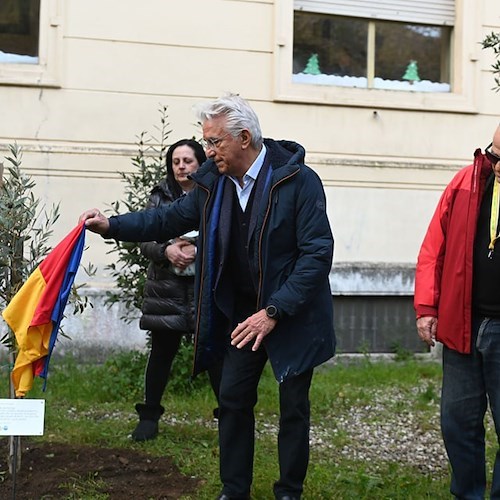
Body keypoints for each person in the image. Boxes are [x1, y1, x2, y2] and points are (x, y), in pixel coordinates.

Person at [79, 93, 335, 500]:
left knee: (293, 409)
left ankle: (289, 491)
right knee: (232, 400)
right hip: (241, 314)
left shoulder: (298, 181)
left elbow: (317, 254)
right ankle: (234, 491)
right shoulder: (213, 184)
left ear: (245, 138)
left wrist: (274, 311)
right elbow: (166, 218)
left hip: (291, 313)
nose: (207, 151)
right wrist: (112, 225)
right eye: (207, 142)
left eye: (215, 142)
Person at [415, 123, 500, 499]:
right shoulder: (466, 182)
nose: (497, 165)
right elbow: (434, 248)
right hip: (464, 324)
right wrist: (426, 307)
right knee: (457, 424)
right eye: (494, 154)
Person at [132, 138, 220, 442]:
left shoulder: (215, 191)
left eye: (188, 161)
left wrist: (198, 248)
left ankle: (230, 417)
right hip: (165, 290)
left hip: (204, 289)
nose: (181, 167)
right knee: (161, 354)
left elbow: (225, 232)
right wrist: (168, 250)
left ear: (200, 163)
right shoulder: (160, 195)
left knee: (215, 353)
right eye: (176, 162)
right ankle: (149, 418)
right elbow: (145, 238)